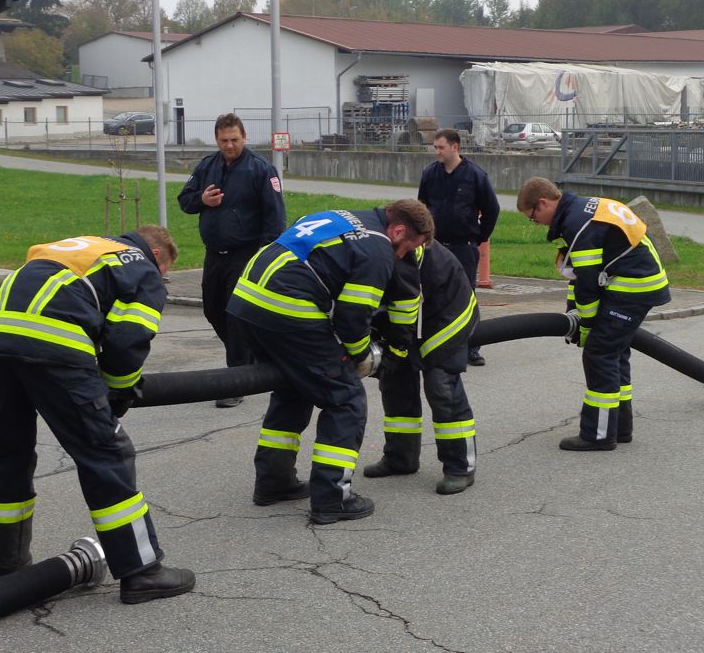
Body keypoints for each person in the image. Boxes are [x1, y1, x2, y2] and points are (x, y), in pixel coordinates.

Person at [0, 225, 195, 604]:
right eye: (166, 272)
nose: (163, 280)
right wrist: (117, 393)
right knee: (105, 452)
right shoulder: (140, 265)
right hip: (55, 346)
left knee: (8, 452)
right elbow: (129, 340)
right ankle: (142, 572)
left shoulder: (82, 248)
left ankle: (6, 567)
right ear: (158, 255)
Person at [226, 200, 434, 524]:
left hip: (246, 303)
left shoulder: (339, 217)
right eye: (409, 247)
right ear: (398, 230)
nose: (405, 255)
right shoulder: (378, 247)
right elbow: (353, 318)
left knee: (292, 389)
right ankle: (332, 498)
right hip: (289, 310)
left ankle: (274, 482)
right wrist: (364, 358)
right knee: (346, 398)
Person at [517, 177, 671, 451]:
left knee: (599, 353)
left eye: (533, 216)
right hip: (635, 281)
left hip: (632, 286)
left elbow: (587, 282)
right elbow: (577, 275)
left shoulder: (577, 224)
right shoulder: (581, 210)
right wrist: (571, 311)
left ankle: (598, 435)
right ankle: (620, 428)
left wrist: (586, 325)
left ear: (542, 203)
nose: (536, 223)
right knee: (615, 352)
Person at [178, 113, 286, 408]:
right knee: (213, 310)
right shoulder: (207, 165)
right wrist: (203, 199)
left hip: (246, 254)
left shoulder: (261, 170)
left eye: (234, 140)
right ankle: (249, 358)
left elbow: (275, 219)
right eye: (224, 140)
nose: (229, 145)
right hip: (214, 255)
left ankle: (236, 381)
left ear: (245, 137)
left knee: (235, 317)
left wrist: (265, 258)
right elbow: (184, 200)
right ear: (216, 139)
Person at [365, 242, 479, 494]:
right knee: (395, 381)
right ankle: (401, 458)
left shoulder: (399, 252)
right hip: (408, 314)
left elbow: (404, 304)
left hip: (447, 314)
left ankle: (460, 467)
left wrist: (396, 347)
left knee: (441, 385)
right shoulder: (364, 249)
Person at [417, 128, 499, 367]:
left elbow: (492, 210)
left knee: (466, 297)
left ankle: (472, 347)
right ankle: (434, 343)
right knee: (431, 295)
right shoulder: (430, 174)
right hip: (435, 247)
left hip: (464, 247)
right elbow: (421, 207)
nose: (437, 152)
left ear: (455, 147)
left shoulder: (475, 176)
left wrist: (478, 238)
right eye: (435, 148)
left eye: (441, 147)